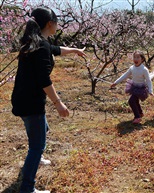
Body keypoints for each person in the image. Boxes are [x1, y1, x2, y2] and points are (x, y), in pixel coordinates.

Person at [11, 7, 86, 193]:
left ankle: (37, 157)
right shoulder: (40, 46)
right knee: (37, 145)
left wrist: (75, 50)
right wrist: (58, 103)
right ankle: (27, 188)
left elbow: (56, 49)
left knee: (42, 129)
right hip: (31, 102)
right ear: (49, 24)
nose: (58, 26)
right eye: (57, 22)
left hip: (21, 98)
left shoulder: (35, 42)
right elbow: (44, 80)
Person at [110, 50, 154, 124]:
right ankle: (140, 113)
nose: (136, 59)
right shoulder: (132, 68)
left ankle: (137, 117)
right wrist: (116, 82)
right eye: (134, 57)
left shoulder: (144, 69)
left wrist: (150, 90)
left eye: (138, 57)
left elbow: (148, 80)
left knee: (131, 101)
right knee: (135, 101)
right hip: (134, 87)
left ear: (142, 59)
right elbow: (124, 75)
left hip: (141, 89)